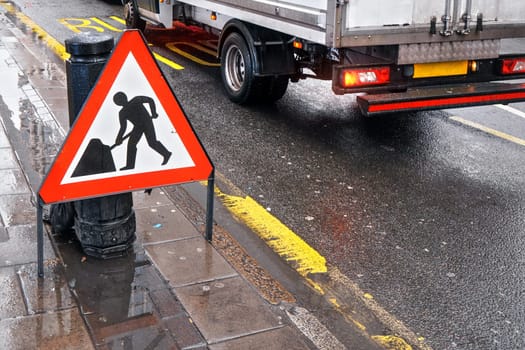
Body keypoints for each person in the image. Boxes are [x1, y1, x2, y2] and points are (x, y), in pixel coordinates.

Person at [113, 91, 171, 170]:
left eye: (121, 98)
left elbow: (150, 100)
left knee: (152, 142)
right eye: (118, 101)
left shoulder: (136, 100)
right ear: (117, 103)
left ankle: (166, 154)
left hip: (147, 122)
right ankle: (130, 165)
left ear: (125, 97)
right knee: (131, 144)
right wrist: (119, 138)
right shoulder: (122, 113)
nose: (120, 101)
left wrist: (153, 112)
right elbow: (123, 127)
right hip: (137, 127)